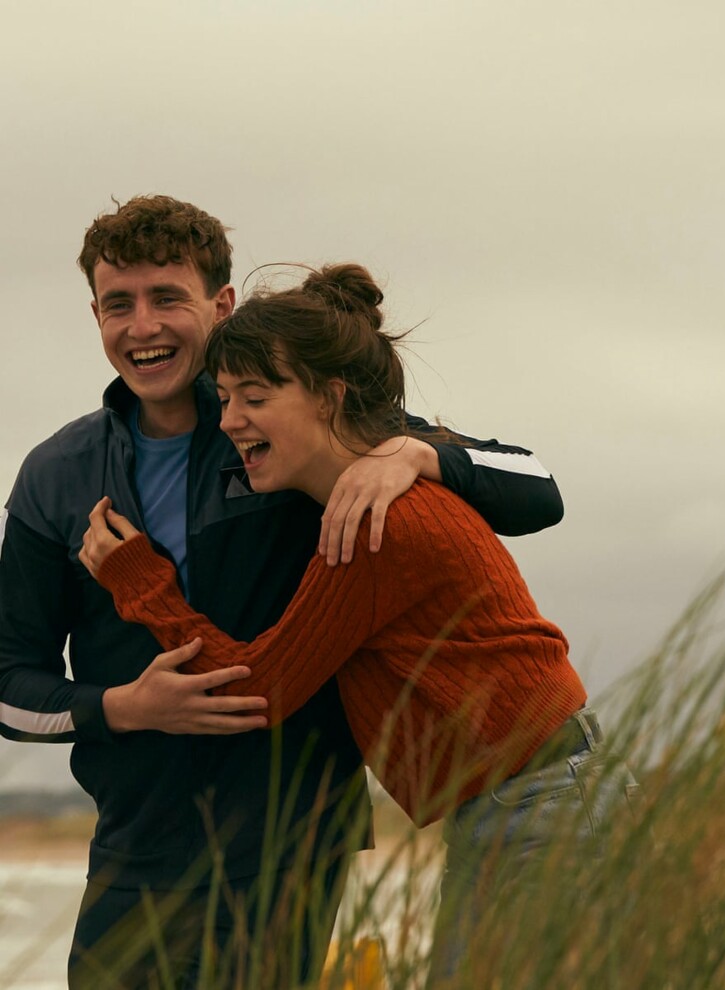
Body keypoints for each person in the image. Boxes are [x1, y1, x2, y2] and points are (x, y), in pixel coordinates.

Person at [0, 197, 565, 988]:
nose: (143, 325)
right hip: (135, 848)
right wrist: (123, 708)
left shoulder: (287, 419)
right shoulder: (56, 476)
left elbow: (538, 486)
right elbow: (10, 682)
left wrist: (416, 454)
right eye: (118, 303)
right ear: (95, 314)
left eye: (168, 297)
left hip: (291, 848)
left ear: (220, 305)